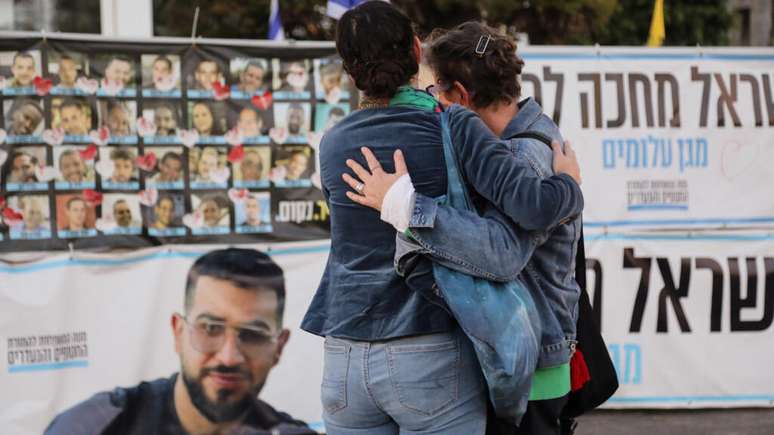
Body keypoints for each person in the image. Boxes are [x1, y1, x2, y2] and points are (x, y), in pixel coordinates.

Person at [299, 3, 582, 435]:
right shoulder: (452, 125)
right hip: (426, 351)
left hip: (344, 353)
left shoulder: (333, 143)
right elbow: (533, 208)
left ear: (349, 71)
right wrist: (569, 185)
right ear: (416, 50)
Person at [45, 248, 316, 435]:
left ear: (279, 347)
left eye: (253, 335)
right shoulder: (93, 427)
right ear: (178, 332)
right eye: (210, 328)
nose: (229, 356)